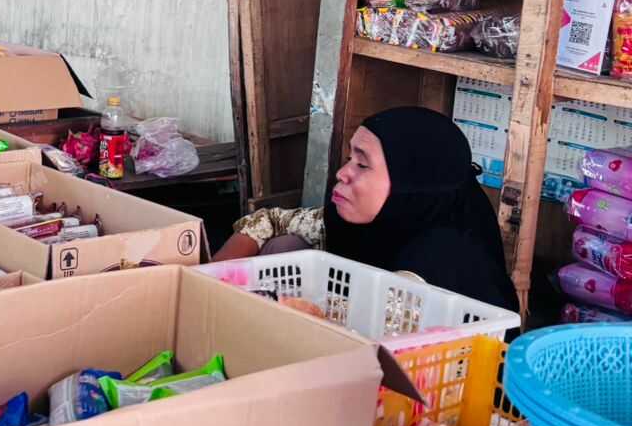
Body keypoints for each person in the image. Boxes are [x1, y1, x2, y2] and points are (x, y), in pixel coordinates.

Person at [213, 106, 518, 311]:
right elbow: (272, 221)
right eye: (349, 159)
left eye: (362, 164)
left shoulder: (434, 264)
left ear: (408, 183)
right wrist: (210, 277)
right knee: (285, 245)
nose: (342, 173)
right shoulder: (379, 218)